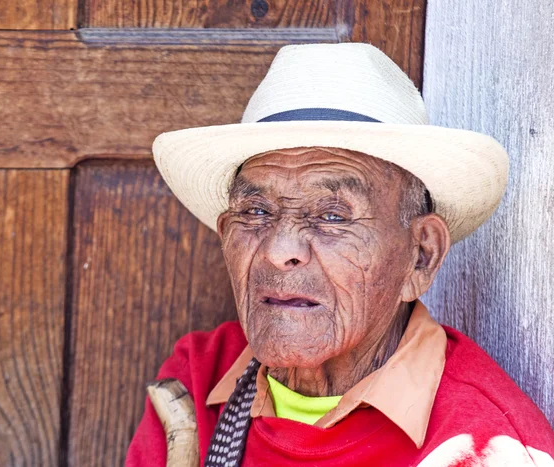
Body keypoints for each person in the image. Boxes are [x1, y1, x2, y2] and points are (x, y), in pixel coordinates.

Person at [126, 43, 554, 466]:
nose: (279, 251)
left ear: (420, 256)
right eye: (256, 211)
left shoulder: (483, 450)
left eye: (332, 216)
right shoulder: (200, 380)